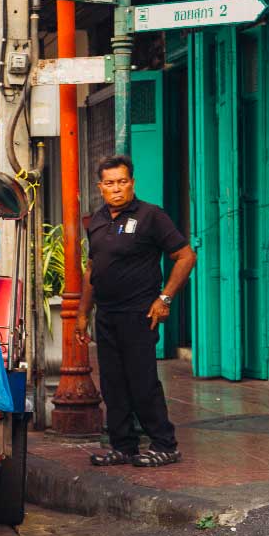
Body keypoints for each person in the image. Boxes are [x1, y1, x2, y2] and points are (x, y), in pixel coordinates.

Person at [75, 155, 197, 468]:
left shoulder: (151, 216)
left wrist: (165, 299)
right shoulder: (98, 220)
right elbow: (92, 269)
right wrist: (82, 313)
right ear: (100, 187)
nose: (117, 188)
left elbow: (185, 257)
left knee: (141, 381)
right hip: (107, 314)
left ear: (132, 183)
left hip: (140, 313)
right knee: (113, 384)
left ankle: (164, 444)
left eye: (123, 181)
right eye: (110, 183)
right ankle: (123, 446)